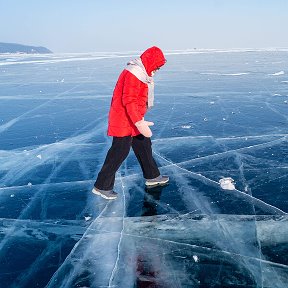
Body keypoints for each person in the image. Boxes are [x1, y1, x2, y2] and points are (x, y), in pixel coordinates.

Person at [92, 46, 169, 200]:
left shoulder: (142, 74)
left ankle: (152, 177)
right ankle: (102, 186)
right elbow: (129, 100)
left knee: (144, 146)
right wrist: (139, 122)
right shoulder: (134, 74)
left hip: (134, 118)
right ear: (151, 61)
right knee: (119, 151)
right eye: (157, 66)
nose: (157, 70)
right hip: (124, 119)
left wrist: (139, 120)